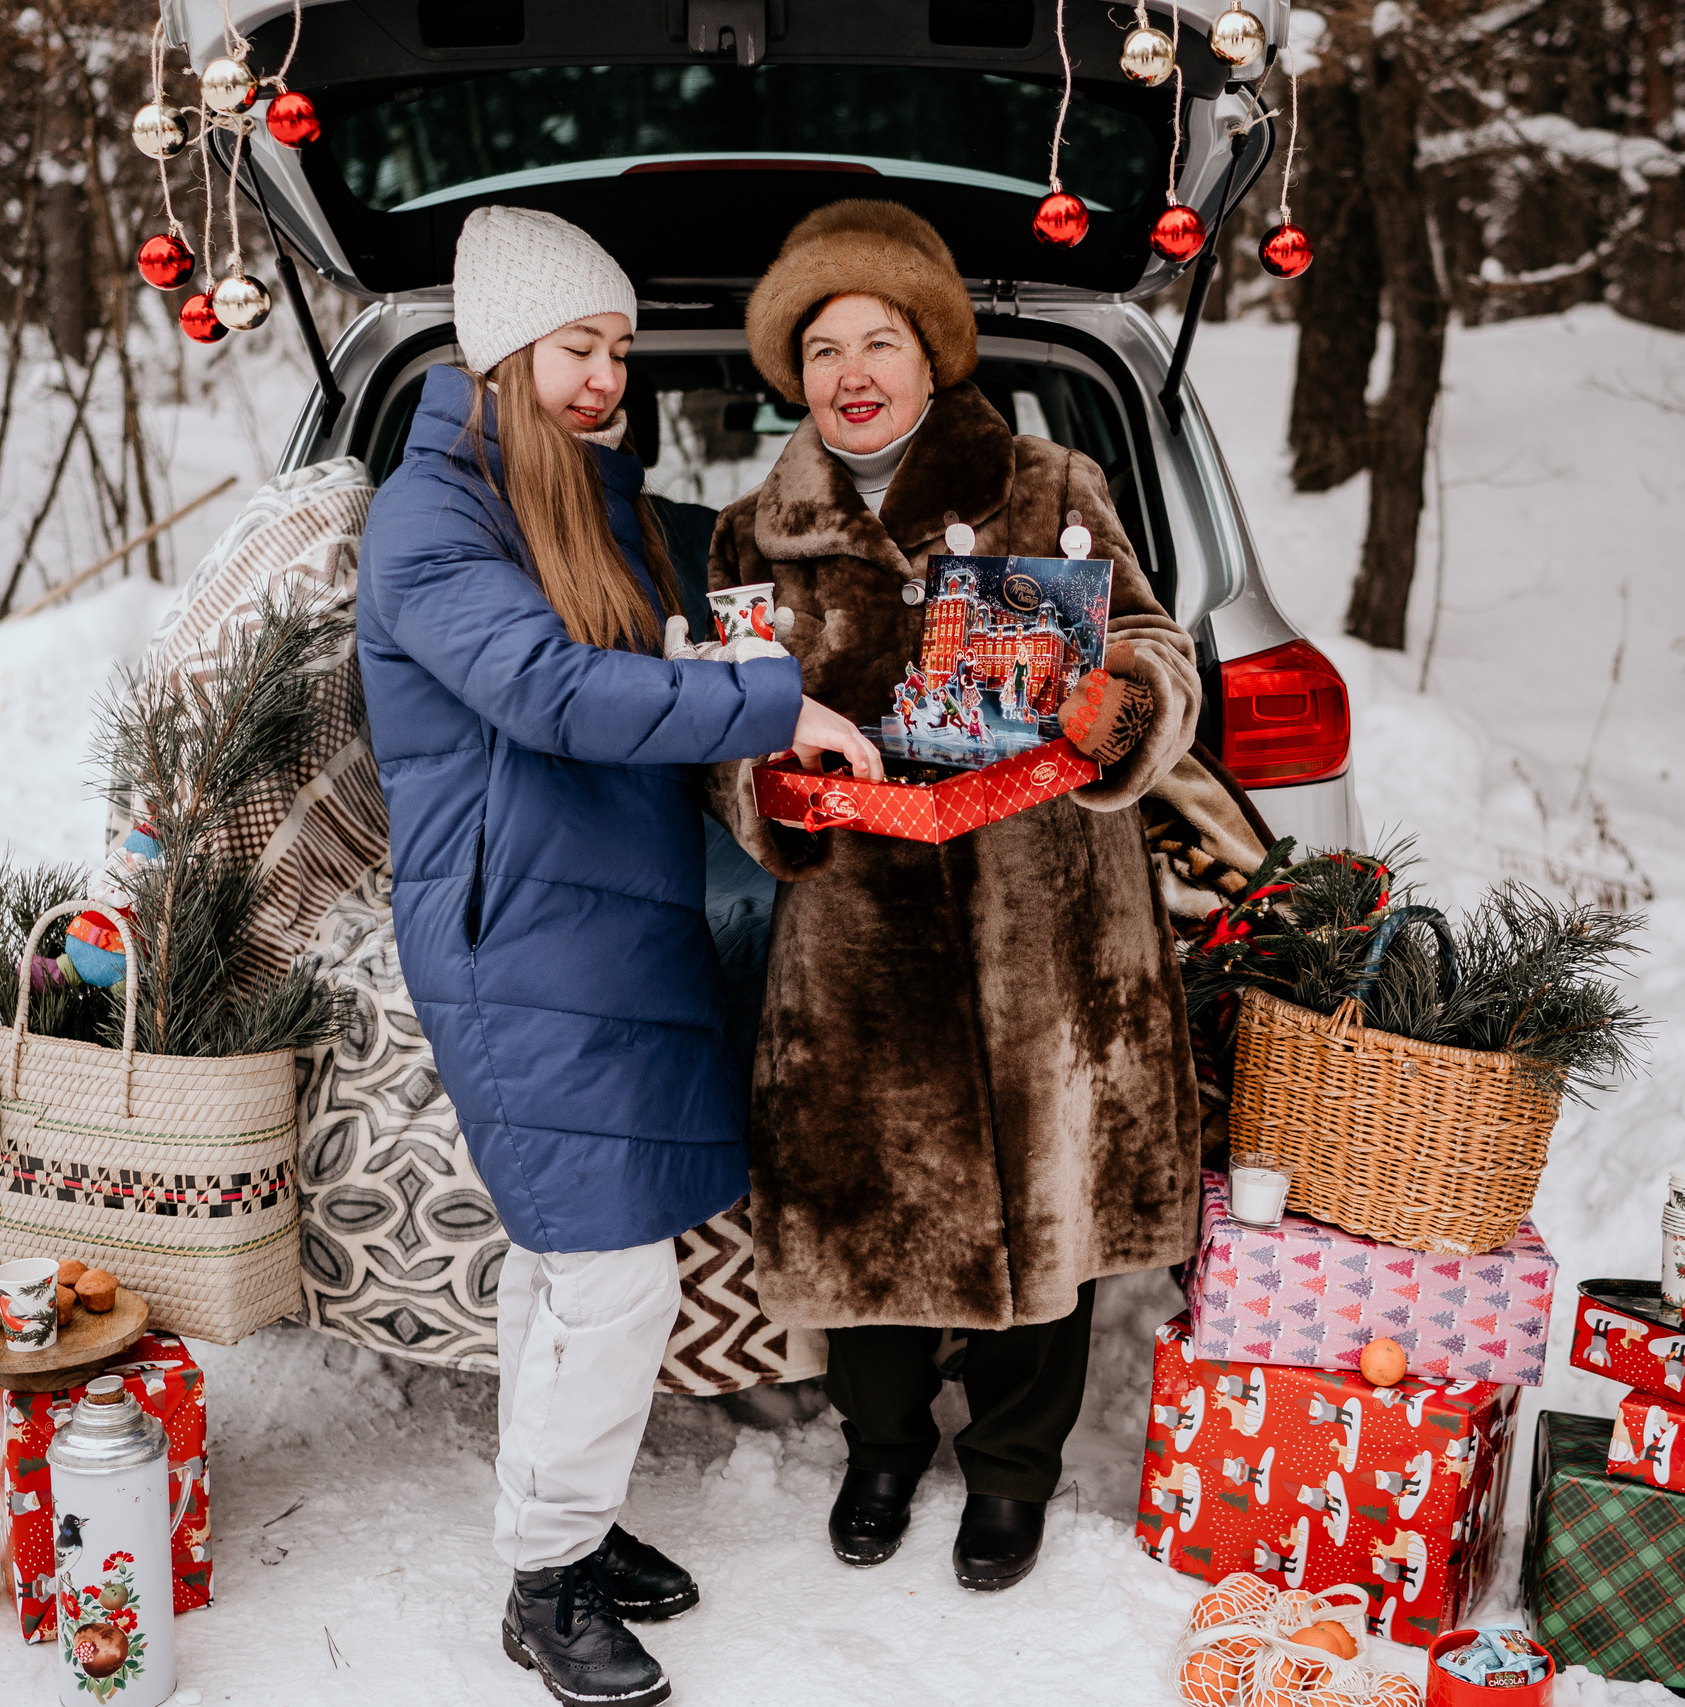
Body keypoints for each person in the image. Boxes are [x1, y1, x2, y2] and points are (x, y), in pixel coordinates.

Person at [356, 204, 880, 1707]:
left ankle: (560, 1528)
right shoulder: (432, 511)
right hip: (513, 928)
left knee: (570, 1260)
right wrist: (769, 705)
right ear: (506, 353)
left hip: (609, 917)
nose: (611, 377)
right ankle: (543, 1583)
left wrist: (706, 666)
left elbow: (623, 664)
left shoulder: (581, 498)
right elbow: (543, 689)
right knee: (613, 1274)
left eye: (619, 350)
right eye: (584, 348)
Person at [704, 200, 1205, 1593]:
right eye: (822, 348)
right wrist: (767, 784)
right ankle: (880, 1447)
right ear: (793, 376)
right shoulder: (757, 535)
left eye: (880, 338)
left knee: (1047, 1203)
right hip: (855, 940)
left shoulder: (1051, 483)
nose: (853, 370)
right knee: (869, 1205)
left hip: (1045, 922)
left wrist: (1123, 706)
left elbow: (1161, 650)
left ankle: (1012, 1471)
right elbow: (720, 735)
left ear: (932, 353)